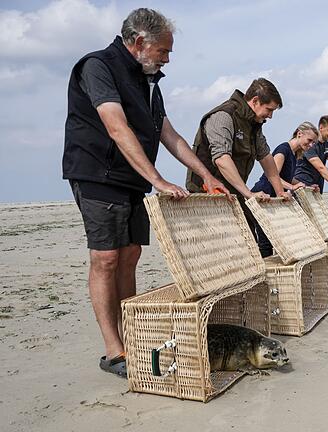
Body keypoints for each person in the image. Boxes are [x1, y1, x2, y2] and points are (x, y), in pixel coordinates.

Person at [62, 8, 229, 378]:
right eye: (163, 51)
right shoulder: (98, 66)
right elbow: (117, 128)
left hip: (131, 178)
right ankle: (114, 350)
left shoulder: (149, 80)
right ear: (139, 43)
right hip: (97, 173)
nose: (167, 59)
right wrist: (159, 181)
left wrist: (205, 176)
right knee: (106, 257)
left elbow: (169, 135)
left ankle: (132, 334)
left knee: (131, 254)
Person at [186, 78, 291, 233]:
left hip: (234, 192)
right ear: (255, 101)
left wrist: (280, 191)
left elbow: (266, 157)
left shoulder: (254, 123)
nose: (270, 116)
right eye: (269, 110)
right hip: (207, 194)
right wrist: (248, 194)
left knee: (250, 234)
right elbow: (222, 159)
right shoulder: (223, 116)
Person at [250, 121, 319, 256]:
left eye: (313, 143)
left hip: (273, 200)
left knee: (274, 239)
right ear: (299, 134)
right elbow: (273, 176)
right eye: (309, 140)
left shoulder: (294, 154)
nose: (311, 145)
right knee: (265, 242)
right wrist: (292, 187)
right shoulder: (283, 149)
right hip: (262, 196)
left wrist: (306, 186)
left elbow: (287, 178)